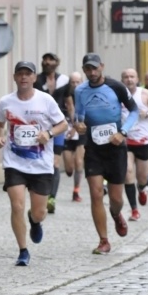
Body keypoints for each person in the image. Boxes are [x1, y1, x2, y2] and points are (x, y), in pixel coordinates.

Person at [0, 61, 68, 266]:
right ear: (14, 77)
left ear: (34, 77)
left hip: (41, 164)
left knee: (39, 212)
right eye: (20, 74)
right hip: (14, 162)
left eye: (28, 74)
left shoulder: (46, 100)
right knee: (16, 205)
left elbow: (63, 124)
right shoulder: (6, 102)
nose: (24, 77)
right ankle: (23, 250)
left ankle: (35, 221)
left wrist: (49, 133)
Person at [73, 53, 139, 255]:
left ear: (101, 66)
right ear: (84, 70)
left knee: (116, 199)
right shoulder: (80, 90)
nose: (92, 72)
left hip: (115, 148)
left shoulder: (116, 87)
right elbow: (79, 116)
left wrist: (123, 132)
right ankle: (103, 241)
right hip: (93, 148)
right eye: (88, 69)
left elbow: (134, 111)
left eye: (95, 68)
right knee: (96, 193)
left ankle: (116, 214)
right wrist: (79, 125)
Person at [34, 53, 74, 214]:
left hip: (58, 126)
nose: (47, 62)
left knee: (54, 163)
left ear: (57, 62)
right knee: (41, 161)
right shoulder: (36, 80)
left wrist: (73, 124)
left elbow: (69, 103)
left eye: (50, 60)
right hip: (39, 127)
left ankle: (51, 198)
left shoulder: (64, 80)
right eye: (44, 60)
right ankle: (40, 194)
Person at [120, 68, 148, 221]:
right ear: (122, 80)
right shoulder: (118, 95)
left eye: (132, 76)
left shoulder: (145, 94)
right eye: (126, 77)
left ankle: (142, 189)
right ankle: (134, 210)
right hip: (126, 141)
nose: (129, 79)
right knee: (128, 173)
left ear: (137, 79)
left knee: (142, 178)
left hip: (143, 141)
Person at [65, 71, 87, 202]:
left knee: (79, 162)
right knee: (68, 169)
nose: (75, 85)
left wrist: (75, 127)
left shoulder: (85, 94)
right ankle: (70, 172)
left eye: (77, 82)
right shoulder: (64, 94)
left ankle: (76, 191)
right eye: (72, 82)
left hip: (81, 131)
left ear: (82, 82)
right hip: (66, 131)